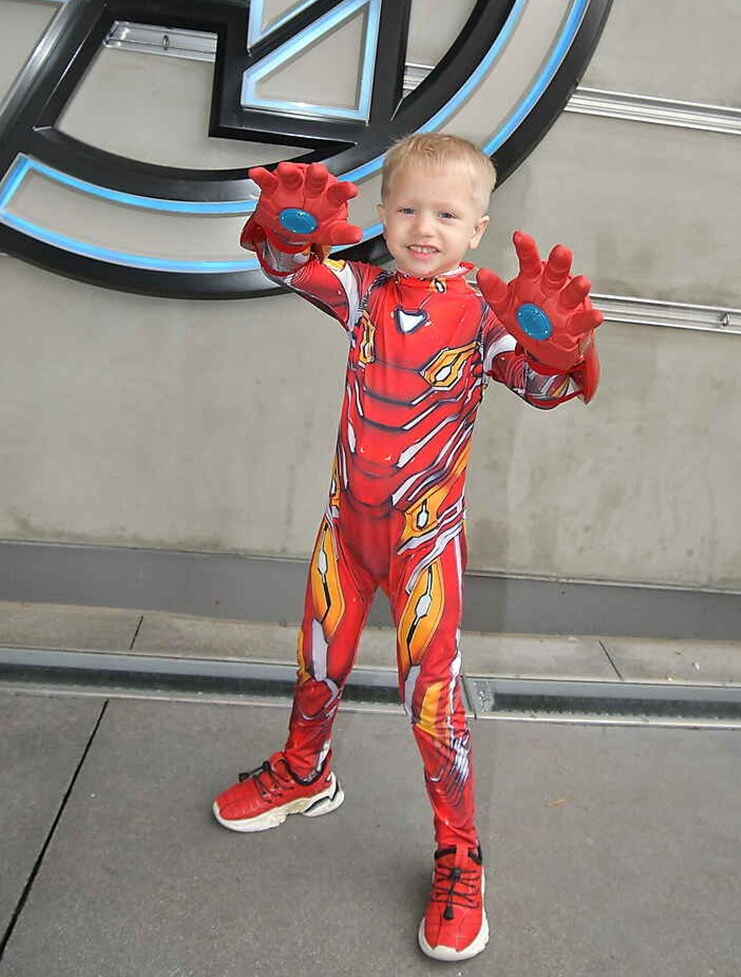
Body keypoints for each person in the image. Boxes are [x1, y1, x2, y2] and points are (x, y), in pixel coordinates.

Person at [212, 133, 603, 962]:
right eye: (408, 209)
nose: (425, 228)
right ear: (384, 214)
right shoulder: (363, 290)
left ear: (479, 228)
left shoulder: (488, 316)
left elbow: (539, 386)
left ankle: (460, 856)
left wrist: (555, 347)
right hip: (345, 536)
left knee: (433, 705)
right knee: (317, 665)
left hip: (425, 546)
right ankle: (305, 773)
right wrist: (284, 228)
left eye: (448, 215)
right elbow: (288, 268)